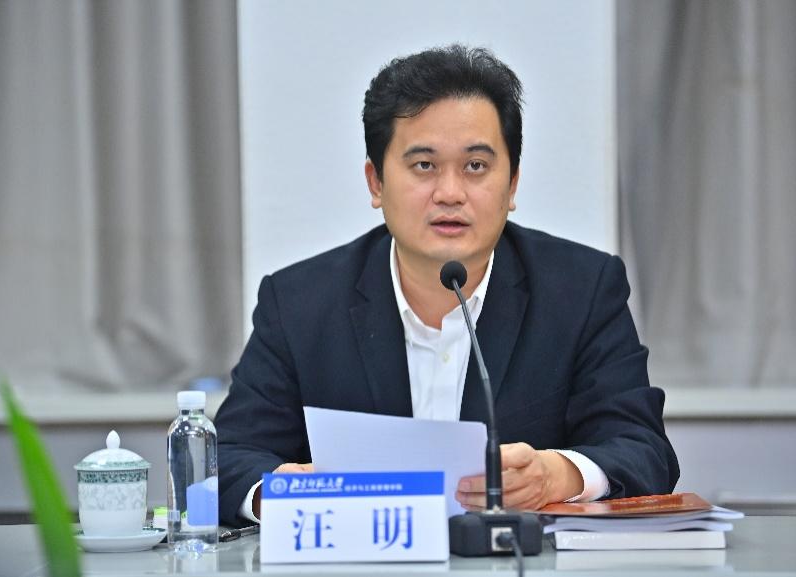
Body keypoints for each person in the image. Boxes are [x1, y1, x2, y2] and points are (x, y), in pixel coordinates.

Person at [215, 44, 679, 527]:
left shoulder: (581, 290)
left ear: (512, 184)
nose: (451, 193)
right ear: (376, 183)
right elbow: (227, 458)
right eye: (424, 166)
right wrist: (278, 491)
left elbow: (643, 449)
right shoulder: (299, 303)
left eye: (475, 166)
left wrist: (557, 475)